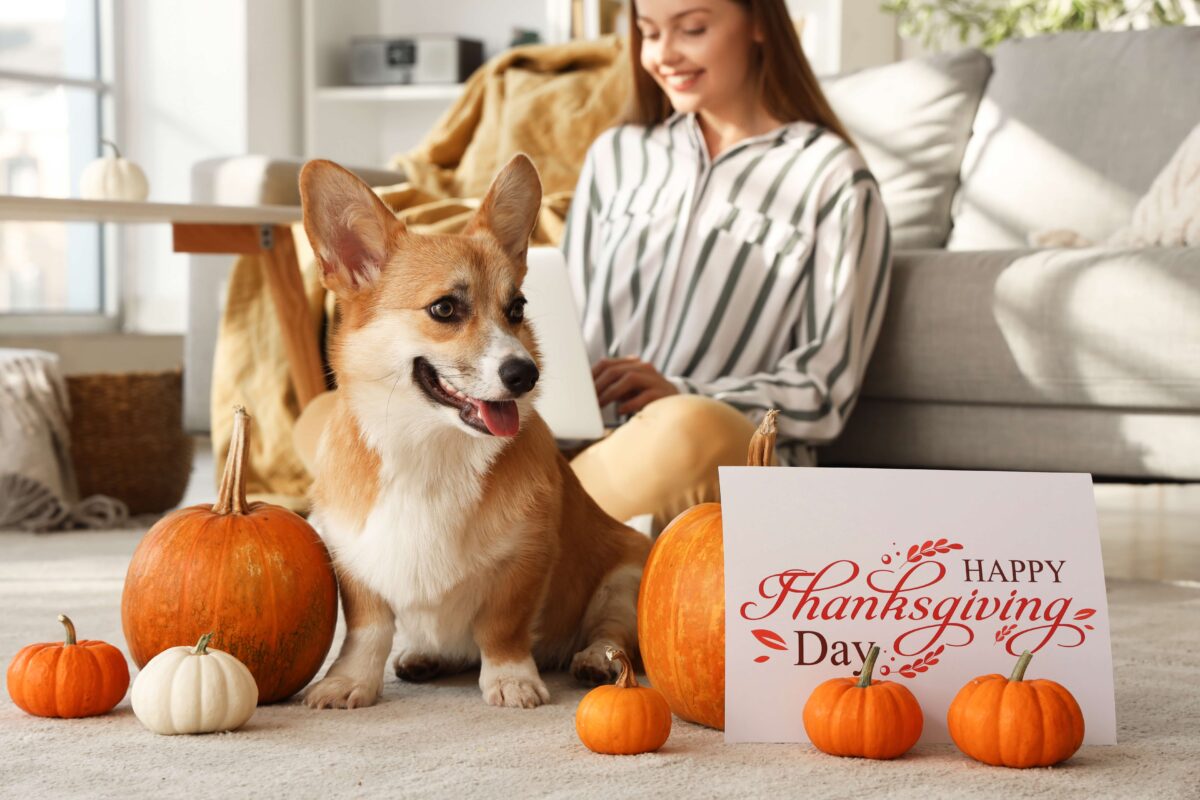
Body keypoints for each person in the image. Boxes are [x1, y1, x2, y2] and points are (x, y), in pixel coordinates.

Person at [564, 0, 892, 532]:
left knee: (687, 427)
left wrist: (684, 393)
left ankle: (528, 565)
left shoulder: (831, 177)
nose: (664, 54)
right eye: (649, 33)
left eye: (692, 28)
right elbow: (562, 321)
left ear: (760, 22)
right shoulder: (615, 156)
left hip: (723, 452)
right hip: (589, 455)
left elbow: (825, 386)